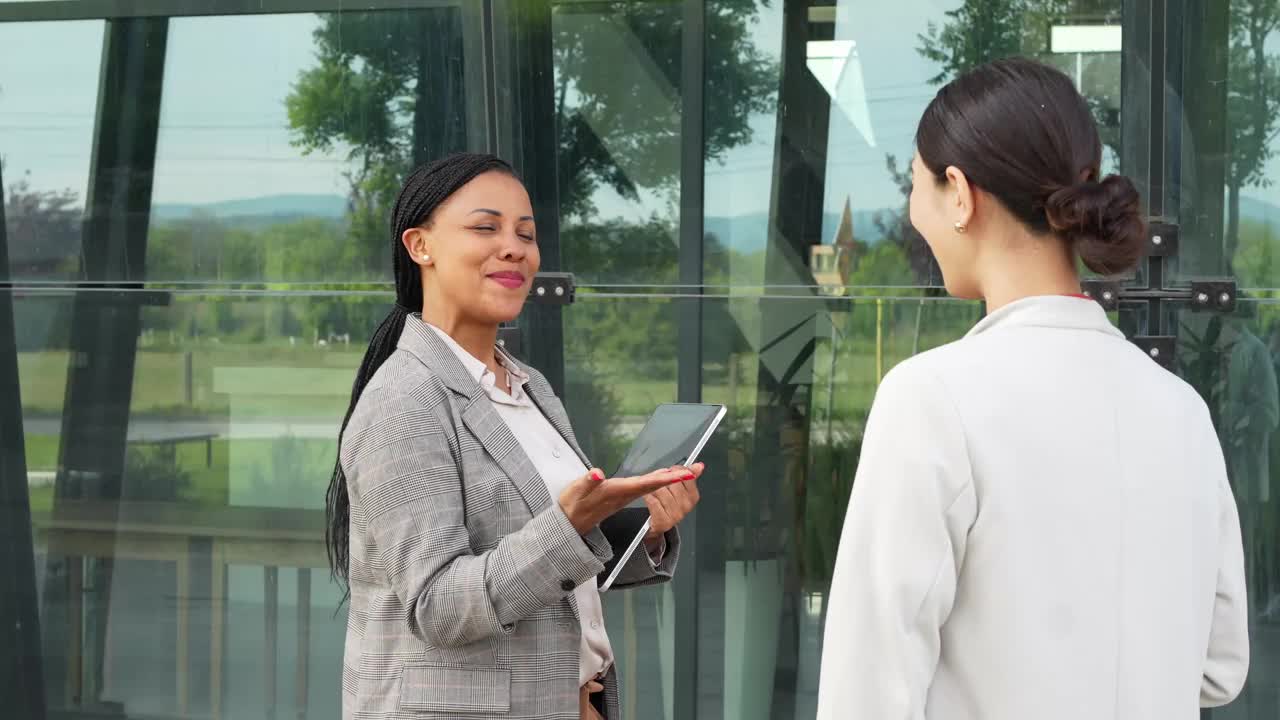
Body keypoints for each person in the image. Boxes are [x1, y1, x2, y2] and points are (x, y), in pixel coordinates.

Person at [816, 57, 1249, 720]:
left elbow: (866, 689)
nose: (913, 211)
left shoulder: (931, 399)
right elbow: (1220, 669)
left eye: (917, 186)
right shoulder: (1180, 409)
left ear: (959, 193)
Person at [326, 153, 703, 720]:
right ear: (420, 246)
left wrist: (641, 525)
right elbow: (439, 608)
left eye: (526, 234)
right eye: (485, 227)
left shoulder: (530, 388)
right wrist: (570, 526)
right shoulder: (405, 400)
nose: (514, 248)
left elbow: (553, 573)